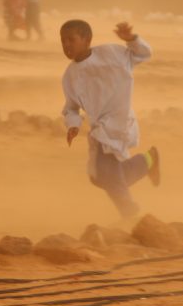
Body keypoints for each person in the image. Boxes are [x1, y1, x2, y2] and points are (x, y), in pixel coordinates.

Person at [60, 19, 160, 221]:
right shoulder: (69, 75)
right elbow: (71, 108)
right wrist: (73, 125)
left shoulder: (112, 53)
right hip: (100, 128)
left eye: (71, 39)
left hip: (119, 121)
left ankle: (129, 212)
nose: (66, 45)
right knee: (98, 177)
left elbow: (144, 54)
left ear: (87, 39)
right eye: (63, 41)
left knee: (105, 173)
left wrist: (131, 39)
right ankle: (148, 161)